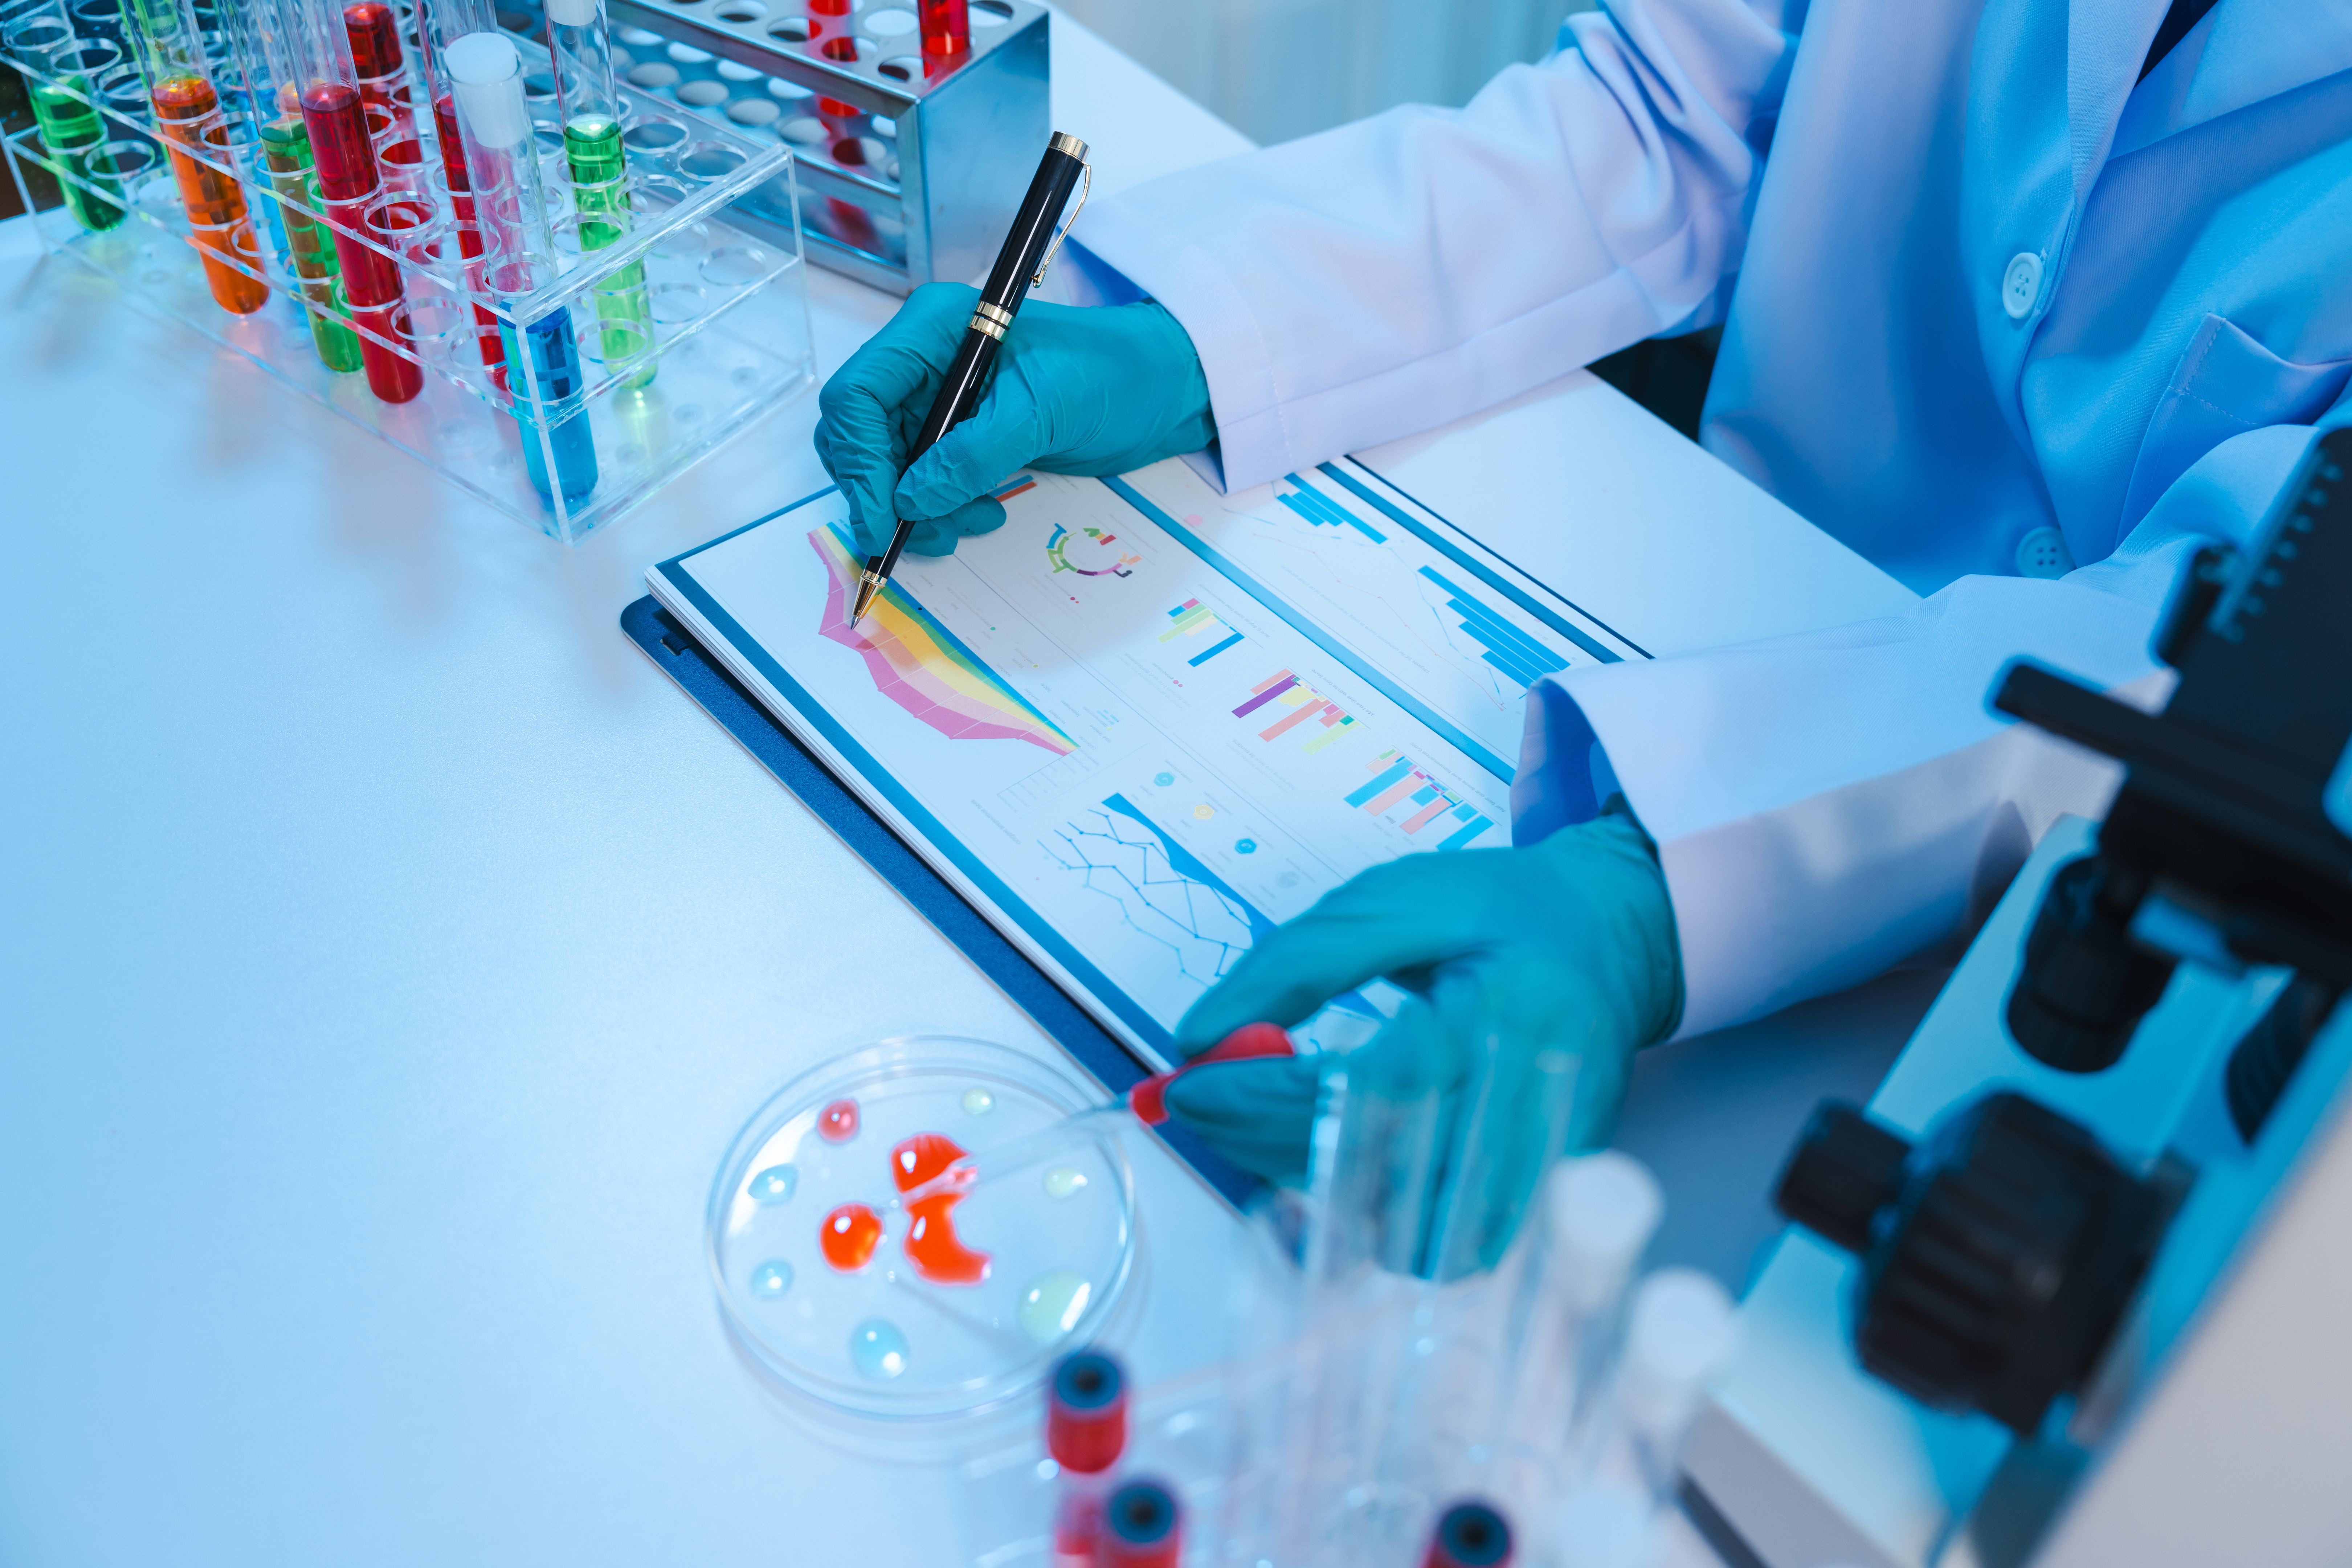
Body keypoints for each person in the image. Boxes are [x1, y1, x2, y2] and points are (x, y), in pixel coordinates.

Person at [813, 0, 2352, 1231]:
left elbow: (2251, 634)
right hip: (1658, 587)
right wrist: (1190, 347)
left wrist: (1652, 895)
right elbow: (1663, 120)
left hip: (2040, 943)